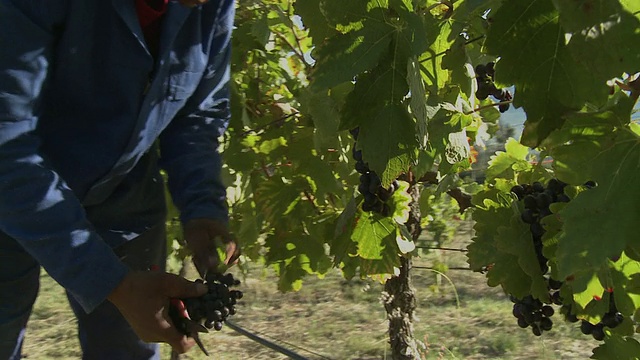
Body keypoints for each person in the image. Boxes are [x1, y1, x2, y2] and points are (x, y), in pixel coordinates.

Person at [0, 0, 240, 358]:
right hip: (12, 188)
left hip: (122, 194)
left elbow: (197, 114)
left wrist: (201, 204)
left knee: (128, 348)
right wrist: (109, 281)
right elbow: (6, 148)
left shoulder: (213, 5)